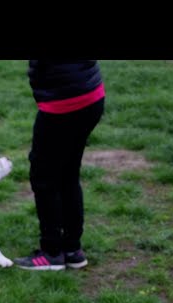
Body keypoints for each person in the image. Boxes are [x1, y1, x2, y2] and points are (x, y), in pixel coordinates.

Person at [14, 60, 105, 271]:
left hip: (64, 102)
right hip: (90, 94)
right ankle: (73, 250)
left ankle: (52, 253)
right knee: (68, 174)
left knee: (43, 177)